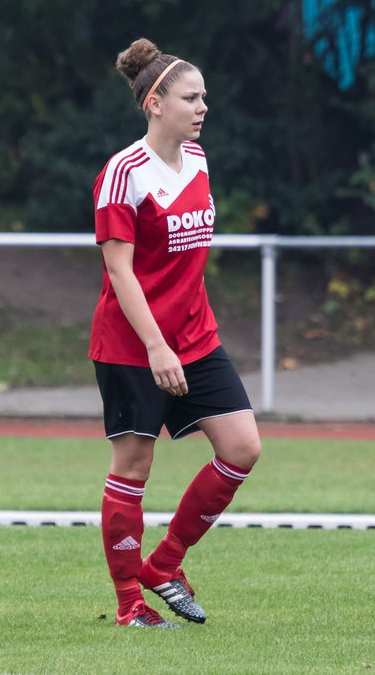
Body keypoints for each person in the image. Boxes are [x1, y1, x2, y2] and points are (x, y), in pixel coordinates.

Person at [90, 37, 262, 629]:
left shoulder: (199, 159)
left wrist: (181, 338)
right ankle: (130, 604)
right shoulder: (122, 173)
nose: (202, 106)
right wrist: (157, 345)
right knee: (134, 469)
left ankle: (164, 564)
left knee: (242, 449)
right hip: (133, 345)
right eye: (191, 97)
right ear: (155, 103)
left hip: (196, 337)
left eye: (204, 97)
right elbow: (119, 268)